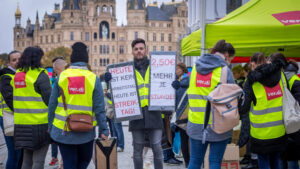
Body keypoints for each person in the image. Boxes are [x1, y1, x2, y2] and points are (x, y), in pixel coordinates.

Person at [176, 40, 236, 169]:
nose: (230, 61)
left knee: (195, 162)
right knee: (214, 162)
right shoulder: (225, 71)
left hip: (196, 123)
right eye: (230, 59)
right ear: (226, 54)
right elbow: (232, 99)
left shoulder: (195, 70)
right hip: (219, 124)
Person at [48, 42, 109, 169]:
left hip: (63, 129)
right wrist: (103, 129)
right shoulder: (93, 78)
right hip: (86, 130)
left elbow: (52, 105)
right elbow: (99, 108)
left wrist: (50, 127)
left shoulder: (61, 77)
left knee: (69, 163)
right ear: (86, 59)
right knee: (84, 161)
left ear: (72, 59)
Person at [105, 38, 164, 169]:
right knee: (137, 150)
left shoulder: (157, 67)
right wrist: (111, 81)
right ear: (132, 51)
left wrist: (173, 86)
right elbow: (119, 90)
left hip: (154, 112)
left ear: (146, 50)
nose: (139, 51)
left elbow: (164, 82)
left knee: (157, 148)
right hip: (135, 114)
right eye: (136, 49)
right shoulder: (126, 70)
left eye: (141, 48)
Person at [239, 52, 287, 169]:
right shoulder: (281, 76)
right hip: (279, 129)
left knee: (264, 162)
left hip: (260, 133)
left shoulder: (250, 82)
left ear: (252, 64)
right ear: (266, 61)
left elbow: (243, 108)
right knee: (276, 161)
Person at [12, 47, 52, 169]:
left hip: (21, 124)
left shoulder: (17, 75)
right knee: (38, 161)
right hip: (39, 124)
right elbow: (50, 100)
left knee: (26, 160)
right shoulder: (40, 75)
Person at [267, 53, 300, 169]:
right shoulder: (277, 79)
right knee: (282, 162)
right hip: (282, 129)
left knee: (291, 162)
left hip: (292, 129)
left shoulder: (293, 81)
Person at [0, 50, 22, 169]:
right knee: (14, 153)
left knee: (20, 152)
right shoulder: (6, 77)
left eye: (19, 59)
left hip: (16, 116)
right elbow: (9, 98)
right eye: (14, 60)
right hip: (8, 116)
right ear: (9, 63)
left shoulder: (21, 74)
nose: (17, 62)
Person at [49, 56, 67, 167]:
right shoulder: (55, 79)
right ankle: (58, 159)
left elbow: (52, 103)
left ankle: (61, 162)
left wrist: (50, 123)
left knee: (61, 144)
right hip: (69, 118)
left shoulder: (59, 79)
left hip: (60, 119)